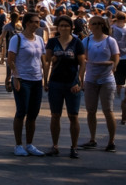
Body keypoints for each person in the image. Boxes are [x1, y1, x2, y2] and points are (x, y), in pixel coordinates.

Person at [43, 15, 86, 157]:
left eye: (66, 25)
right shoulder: (52, 42)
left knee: (73, 116)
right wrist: (45, 80)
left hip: (72, 83)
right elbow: (47, 61)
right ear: (57, 27)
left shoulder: (77, 42)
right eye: (61, 25)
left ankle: (74, 147)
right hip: (56, 81)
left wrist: (79, 81)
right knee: (55, 115)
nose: (63, 28)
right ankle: (55, 145)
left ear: (71, 27)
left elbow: (82, 63)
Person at [8, 12, 47, 157]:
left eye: (38, 22)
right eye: (33, 22)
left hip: (36, 79)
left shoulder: (39, 39)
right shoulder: (17, 39)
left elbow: (43, 60)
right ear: (26, 23)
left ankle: (30, 144)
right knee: (21, 111)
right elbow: (11, 59)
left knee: (33, 113)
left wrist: (46, 78)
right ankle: (18, 145)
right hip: (22, 79)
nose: (36, 25)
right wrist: (15, 77)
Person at [80, 15, 120, 152]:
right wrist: (81, 79)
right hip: (90, 79)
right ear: (89, 26)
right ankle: (92, 139)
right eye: (93, 23)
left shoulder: (110, 40)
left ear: (103, 25)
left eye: (99, 23)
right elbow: (82, 59)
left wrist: (111, 66)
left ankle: (111, 141)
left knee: (108, 110)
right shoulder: (86, 41)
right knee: (91, 110)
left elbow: (116, 59)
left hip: (106, 79)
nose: (96, 26)